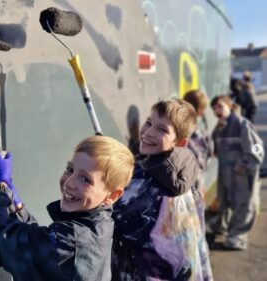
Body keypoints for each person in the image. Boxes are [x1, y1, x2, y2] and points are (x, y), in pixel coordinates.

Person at [0, 135, 135, 281]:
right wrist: (16, 203)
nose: (69, 183)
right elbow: (41, 239)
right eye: (70, 170)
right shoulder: (101, 224)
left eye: (85, 179)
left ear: (113, 196)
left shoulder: (72, 241)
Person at [112, 99, 213, 281]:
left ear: (179, 143)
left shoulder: (142, 185)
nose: (148, 132)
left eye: (162, 129)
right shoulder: (184, 171)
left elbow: (110, 219)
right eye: (149, 123)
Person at [209, 95, 264, 250]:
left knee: (243, 205)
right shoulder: (220, 128)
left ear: (229, 105)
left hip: (243, 174)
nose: (216, 111)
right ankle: (223, 227)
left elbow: (258, 146)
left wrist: (246, 163)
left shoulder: (243, 124)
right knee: (224, 202)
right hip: (225, 172)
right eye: (214, 109)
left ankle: (238, 237)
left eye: (219, 106)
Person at [183, 89, 213, 232]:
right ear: (200, 110)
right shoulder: (197, 126)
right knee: (196, 213)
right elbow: (207, 151)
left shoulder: (183, 124)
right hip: (196, 177)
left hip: (186, 177)